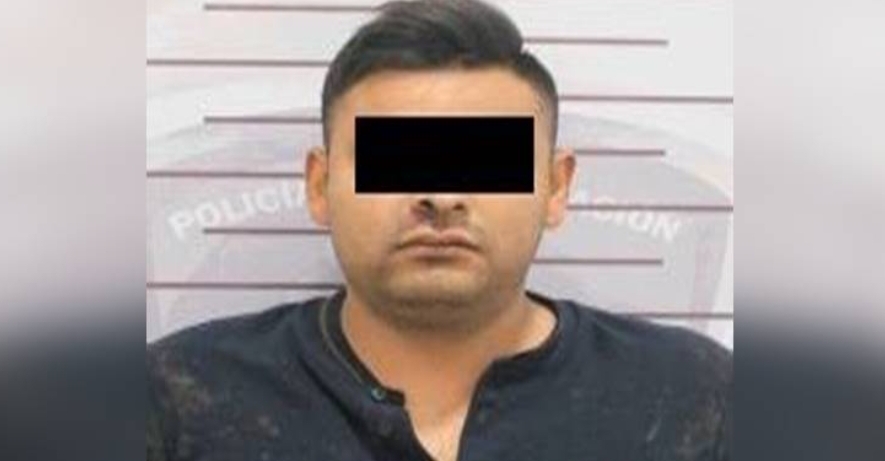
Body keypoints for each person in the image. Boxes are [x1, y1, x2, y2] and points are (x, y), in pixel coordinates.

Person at [147, 1, 732, 460]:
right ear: (319, 185)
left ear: (556, 187)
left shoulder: (695, 397)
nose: (441, 197)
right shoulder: (174, 399)